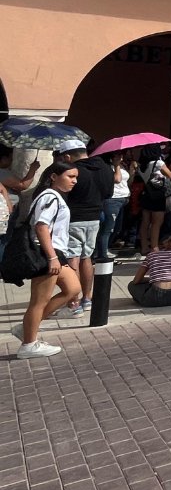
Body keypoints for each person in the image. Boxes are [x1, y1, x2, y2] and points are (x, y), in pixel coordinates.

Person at [14, 162, 82, 358]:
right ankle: (28, 344)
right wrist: (52, 257)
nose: (74, 181)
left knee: (73, 289)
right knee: (39, 301)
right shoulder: (50, 197)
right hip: (47, 253)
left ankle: (27, 328)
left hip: (55, 253)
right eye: (70, 176)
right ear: (53, 176)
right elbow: (41, 227)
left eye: (75, 177)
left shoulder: (54, 197)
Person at [54, 139, 113, 315]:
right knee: (87, 257)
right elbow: (109, 193)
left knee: (73, 257)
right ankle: (87, 298)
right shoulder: (104, 167)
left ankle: (74, 302)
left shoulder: (74, 170)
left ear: (67, 156)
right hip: (95, 217)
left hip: (74, 218)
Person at [128, 234, 171, 307]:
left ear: (159, 246)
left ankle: (144, 299)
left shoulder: (151, 255)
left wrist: (151, 279)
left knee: (131, 285)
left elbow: (136, 280)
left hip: (154, 298)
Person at [136, 145, 171, 255]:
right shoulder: (158, 163)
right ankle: (154, 247)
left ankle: (144, 247)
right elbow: (170, 175)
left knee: (145, 222)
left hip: (146, 194)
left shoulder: (141, 165)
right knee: (157, 223)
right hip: (158, 195)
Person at [101, 152, 131, 254]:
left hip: (123, 198)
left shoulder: (122, 167)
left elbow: (126, 180)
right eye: (117, 156)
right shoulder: (108, 168)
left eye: (121, 155)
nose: (120, 157)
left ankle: (106, 248)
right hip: (113, 199)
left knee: (118, 227)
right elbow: (117, 179)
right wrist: (116, 165)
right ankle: (103, 251)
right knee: (109, 228)